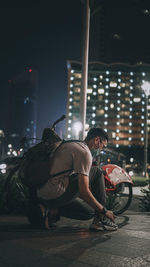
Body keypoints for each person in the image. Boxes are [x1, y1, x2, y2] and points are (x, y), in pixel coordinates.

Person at [36, 127, 118, 231]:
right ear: (96, 140)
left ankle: (51, 210)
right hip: (55, 192)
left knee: (89, 212)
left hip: (42, 194)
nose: (101, 150)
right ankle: (99, 221)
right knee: (97, 171)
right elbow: (84, 192)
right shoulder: (84, 152)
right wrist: (104, 211)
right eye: (102, 147)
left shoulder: (73, 144)